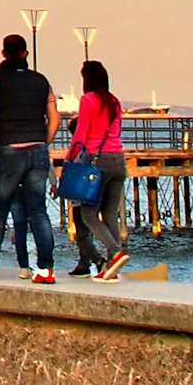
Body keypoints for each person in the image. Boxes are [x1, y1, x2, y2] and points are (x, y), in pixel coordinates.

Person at [0, 33, 57, 285]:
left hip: (7, 150)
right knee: (38, 210)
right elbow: (55, 119)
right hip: (38, 150)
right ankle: (45, 269)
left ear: (3, 54)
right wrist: (43, 141)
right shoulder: (42, 81)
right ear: (25, 53)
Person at [62, 57, 130, 280]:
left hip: (97, 162)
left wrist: (68, 161)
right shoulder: (115, 102)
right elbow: (116, 133)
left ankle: (116, 252)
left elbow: (80, 135)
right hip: (119, 160)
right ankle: (112, 262)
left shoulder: (88, 100)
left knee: (89, 215)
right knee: (110, 213)